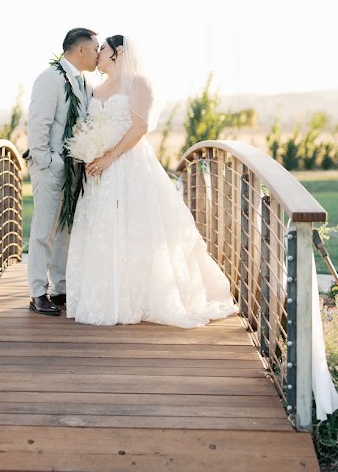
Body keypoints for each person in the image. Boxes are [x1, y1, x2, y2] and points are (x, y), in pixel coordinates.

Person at [65, 35, 238, 327]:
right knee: (102, 227)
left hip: (128, 163)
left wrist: (110, 155)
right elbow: (90, 126)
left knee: (136, 227)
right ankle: (106, 296)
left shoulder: (137, 83)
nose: (98, 55)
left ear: (118, 51)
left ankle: (141, 295)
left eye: (102, 49)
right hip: (98, 171)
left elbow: (140, 125)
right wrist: (88, 151)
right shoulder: (95, 89)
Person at [24, 28, 98, 315]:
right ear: (80, 50)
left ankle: (61, 287)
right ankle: (36, 292)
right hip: (52, 168)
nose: (96, 54)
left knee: (65, 229)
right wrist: (49, 162)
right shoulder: (50, 79)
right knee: (44, 230)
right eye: (94, 49)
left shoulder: (84, 82)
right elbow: (38, 125)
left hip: (74, 169)